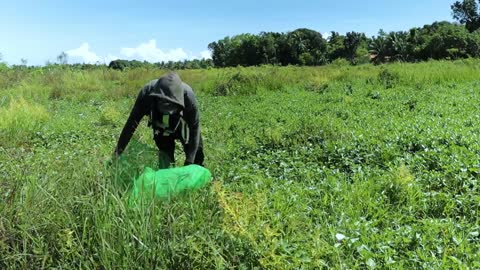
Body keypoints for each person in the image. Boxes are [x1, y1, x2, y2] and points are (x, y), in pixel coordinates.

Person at [113, 72, 204, 168]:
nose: (167, 110)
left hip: (181, 121)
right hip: (159, 122)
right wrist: (117, 153)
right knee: (165, 160)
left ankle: (196, 173)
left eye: (170, 106)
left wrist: (189, 162)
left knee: (196, 154)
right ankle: (167, 176)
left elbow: (194, 129)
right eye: (164, 105)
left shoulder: (188, 97)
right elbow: (131, 125)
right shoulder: (146, 94)